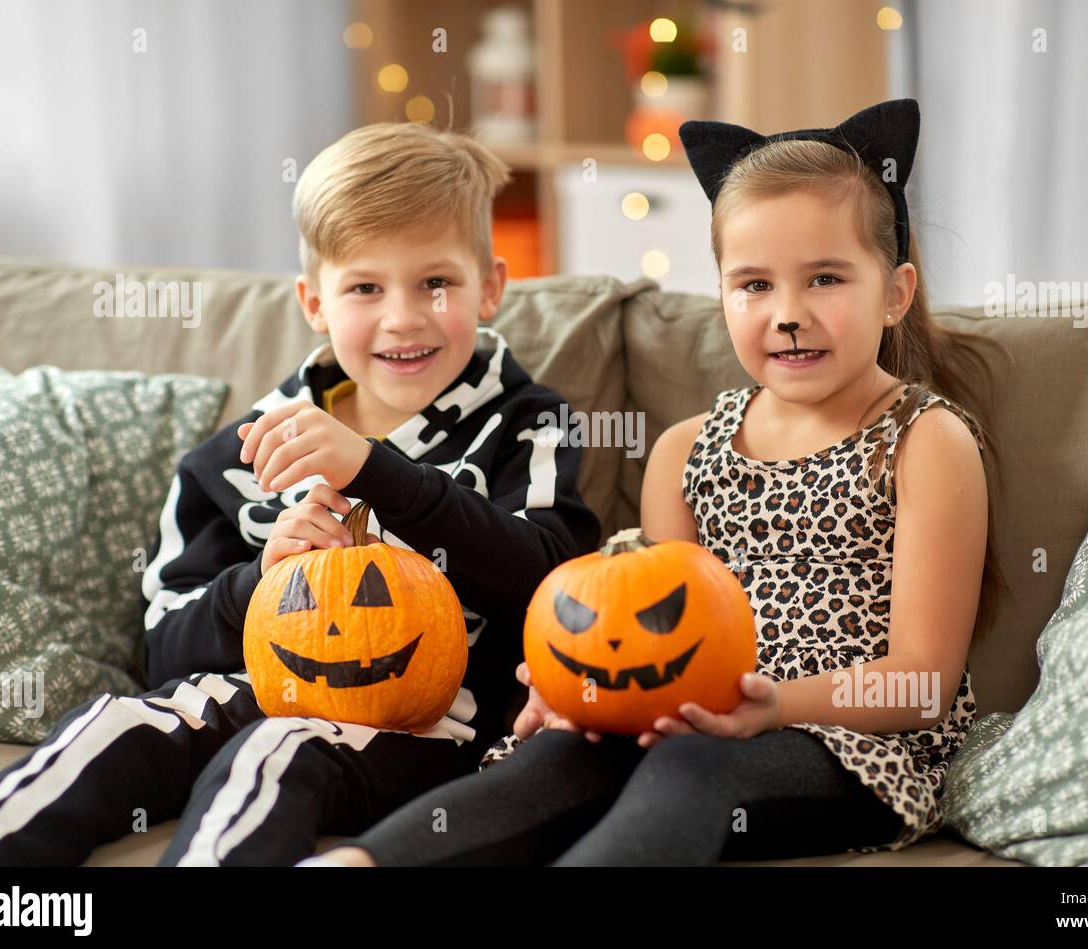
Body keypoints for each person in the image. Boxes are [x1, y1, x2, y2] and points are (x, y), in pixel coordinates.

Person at [306, 98, 1010, 867]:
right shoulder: (684, 452)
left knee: (685, 765)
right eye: (753, 285)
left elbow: (922, 685)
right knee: (560, 755)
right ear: (722, 294)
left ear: (896, 292)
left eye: (826, 279)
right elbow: (652, 628)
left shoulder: (923, 439)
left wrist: (770, 704)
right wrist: (575, 686)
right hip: (683, 720)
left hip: (851, 747)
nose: (787, 314)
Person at [0, 122, 601, 867]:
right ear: (313, 302)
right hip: (243, 690)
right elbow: (165, 649)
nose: (403, 316)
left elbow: (555, 580)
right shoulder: (239, 454)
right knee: (112, 724)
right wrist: (261, 582)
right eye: (364, 287)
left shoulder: (526, 424)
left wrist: (374, 473)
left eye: (435, 282)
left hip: (426, 727)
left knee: (279, 746)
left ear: (490, 288)